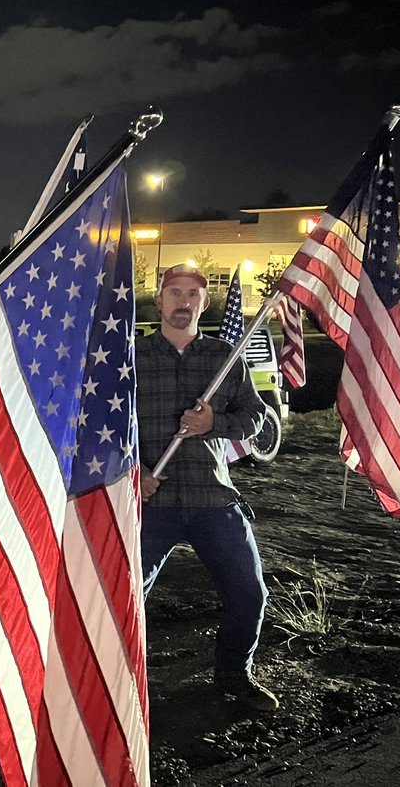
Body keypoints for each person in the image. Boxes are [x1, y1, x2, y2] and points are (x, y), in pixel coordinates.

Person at [135, 263, 278, 712]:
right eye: (174, 292)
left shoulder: (225, 358)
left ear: (204, 302)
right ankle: (119, 681)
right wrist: (134, 471)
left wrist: (216, 423)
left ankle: (234, 674)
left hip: (211, 498)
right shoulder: (131, 358)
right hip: (150, 502)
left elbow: (256, 417)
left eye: (192, 294)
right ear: (159, 300)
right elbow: (103, 425)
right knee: (123, 597)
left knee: (249, 594)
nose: (183, 301)